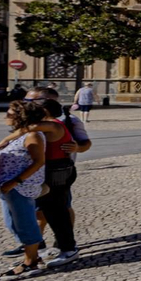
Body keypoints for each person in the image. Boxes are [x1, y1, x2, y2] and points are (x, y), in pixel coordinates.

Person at [23, 88, 90, 266]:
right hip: (49, 171)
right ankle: (39, 246)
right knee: (48, 211)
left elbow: (85, 143)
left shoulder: (55, 124)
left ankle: (66, 246)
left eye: (32, 103)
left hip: (56, 171)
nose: (28, 106)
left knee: (57, 211)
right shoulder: (47, 123)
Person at [0, 101, 48, 280]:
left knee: (25, 224)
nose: (5, 117)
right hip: (8, 186)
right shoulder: (21, 134)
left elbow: (39, 161)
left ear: (21, 117)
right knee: (13, 224)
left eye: (9, 114)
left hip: (21, 187)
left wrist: (15, 181)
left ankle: (30, 262)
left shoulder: (33, 136)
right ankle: (33, 256)